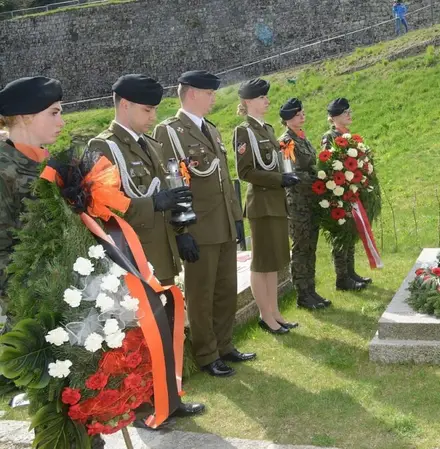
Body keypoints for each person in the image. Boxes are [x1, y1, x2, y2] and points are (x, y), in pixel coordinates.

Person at [86, 74, 206, 424]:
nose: (154, 115)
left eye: (155, 109)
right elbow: (101, 207)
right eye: (147, 109)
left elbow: (169, 190)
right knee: (139, 334)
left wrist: (182, 230)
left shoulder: (150, 144)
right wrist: (152, 204)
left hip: (161, 251)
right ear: (124, 105)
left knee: (166, 326)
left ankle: (169, 397)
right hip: (134, 256)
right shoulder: (105, 147)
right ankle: (141, 407)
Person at [154, 70, 255, 377]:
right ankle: (206, 354)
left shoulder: (210, 129)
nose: (214, 99)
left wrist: (236, 220)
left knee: (226, 289)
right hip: (198, 228)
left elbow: (224, 179)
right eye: (209, 94)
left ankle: (224, 345)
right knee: (201, 294)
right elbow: (171, 184)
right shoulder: (169, 132)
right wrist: (182, 232)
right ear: (193, 94)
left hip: (222, 224)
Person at [233, 79, 300, 334]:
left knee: (273, 262)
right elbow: (245, 171)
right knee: (261, 263)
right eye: (262, 98)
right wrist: (279, 179)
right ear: (248, 102)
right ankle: (265, 315)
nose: (267, 101)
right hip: (261, 203)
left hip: (275, 201)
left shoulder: (268, 129)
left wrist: (287, 175)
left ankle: (274, 312)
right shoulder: (244, 132)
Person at [0, 76, 64, 328]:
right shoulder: (4, 170)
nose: (62, 122)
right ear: (26, 117)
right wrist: (33, 290)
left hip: (63, 293)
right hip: (28, 308)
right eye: (54, 113)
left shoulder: (47, 165)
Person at [279, 98, 331, 310]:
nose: (303, 116)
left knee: (310, 246)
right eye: (298, 114)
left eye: (302, 113)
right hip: (297, 202)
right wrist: (318, 180)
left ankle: (311, 289)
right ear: (289, 118)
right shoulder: (286, 141)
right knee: (301, 248)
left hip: (310, 200)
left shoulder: (302, 138)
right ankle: (302, 293)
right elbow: (290, 173)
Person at [321, 98, 370, 291]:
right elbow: (327, 165)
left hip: (351, 192)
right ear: (335, 117)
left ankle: (351, 272)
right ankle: (342, 278)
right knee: (341, 234)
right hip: (338, 193)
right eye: (345, 112)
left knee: (350, 232)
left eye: (349, 111)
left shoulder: (348, 136)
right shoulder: (330, 136)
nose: (349, 115)